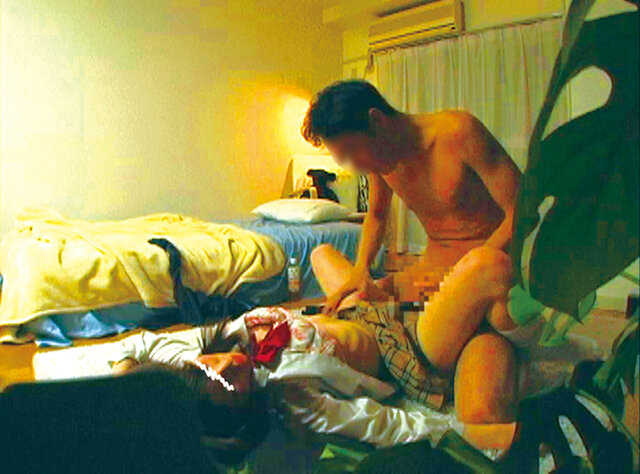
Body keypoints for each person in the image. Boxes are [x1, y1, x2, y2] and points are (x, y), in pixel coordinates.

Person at [301, 80, 521, 312]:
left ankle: (386, 319)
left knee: (493, 330)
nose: (355, 166)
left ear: (377, 120)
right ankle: (386, 318)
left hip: (484, 271)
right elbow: (377, 215)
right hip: (430, 275)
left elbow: (522, 210)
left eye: (352, 150)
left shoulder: (459, 132)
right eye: (344, 158)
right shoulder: (379, 160)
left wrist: (470, 272)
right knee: (323, 257)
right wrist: (360, 269)